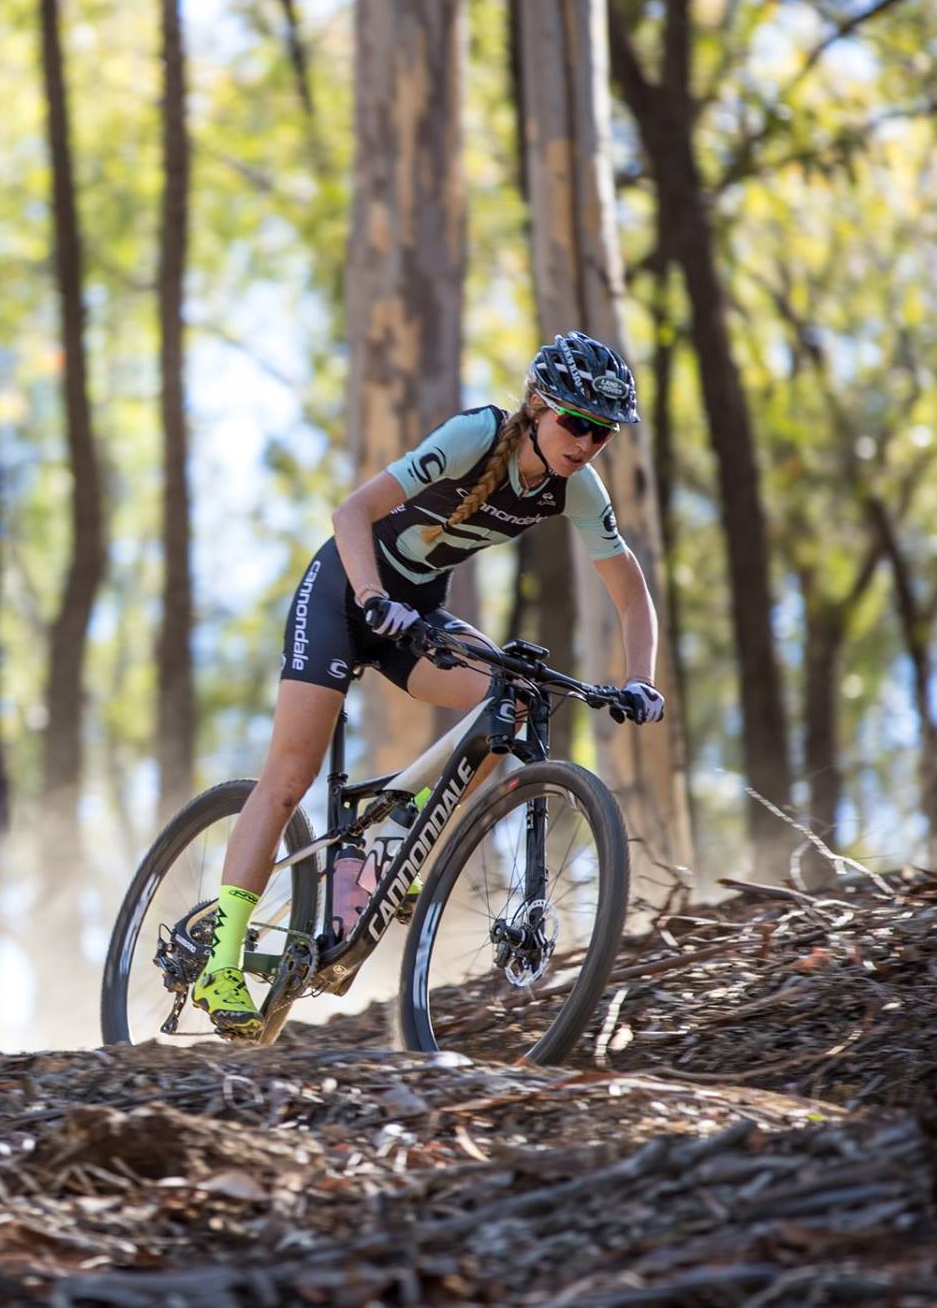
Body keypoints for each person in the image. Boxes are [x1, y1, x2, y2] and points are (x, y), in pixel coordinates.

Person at [193, 331, 669, 1036]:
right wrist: (369, 597)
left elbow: (629, 591)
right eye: (575, 421)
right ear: (536, 405)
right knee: (288, 777)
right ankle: (219, 958)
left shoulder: (576, 488)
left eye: (602, 432)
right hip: (343, 594)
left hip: (414, 615)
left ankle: (395, 842)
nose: (587, 441)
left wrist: (639, 680)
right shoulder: (476, 435)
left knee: (511, 697)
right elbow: (351, 512)